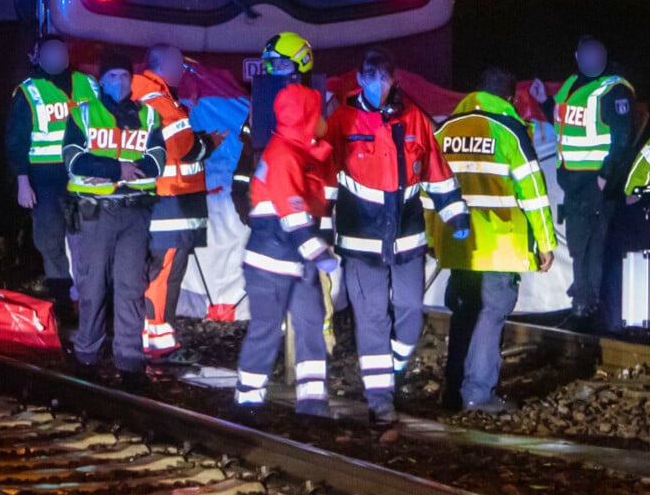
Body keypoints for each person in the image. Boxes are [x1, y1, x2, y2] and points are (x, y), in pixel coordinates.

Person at [326, 48, 469, 425]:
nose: (378, 85)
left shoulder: (415, 120)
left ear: (394, 80)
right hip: (361, 242)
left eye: (384, 78)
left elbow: (436, 172)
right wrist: (321, 227)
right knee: (371, 317)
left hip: (407, 239)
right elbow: (326, 177)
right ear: (359, 80)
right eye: (371, 77)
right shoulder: (342, 119)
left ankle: (391, 370)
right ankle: (380, 400)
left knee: (409, 312)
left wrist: (456, 214)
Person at [427, 67, 556, 413]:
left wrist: (432, 236)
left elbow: (429, 189)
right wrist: (545, 242)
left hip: (458, 244)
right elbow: (533, 193)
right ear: (510, 99)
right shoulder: (509, 131)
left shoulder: (446, 129)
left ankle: (452, 391)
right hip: (500, 247)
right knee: (491, 314)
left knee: (465, 312)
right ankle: (478, 393)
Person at [63, 50, 166, 390]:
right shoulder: (84, 115)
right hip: (96, 214)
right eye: (111, 77)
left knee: (131, 288)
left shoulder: (149, 117)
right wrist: (117, 170)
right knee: (91, 287)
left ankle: (130, 361)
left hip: (135, 213)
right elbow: (75, 161)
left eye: (123, 76)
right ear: (101, 82)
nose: (118, 83)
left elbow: (157, 163)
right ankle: (86, 357)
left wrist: (115, 175)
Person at [235, 84, 339, 416]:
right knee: (267, 329)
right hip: (272, 263)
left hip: (293, 262)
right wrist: (318, 253)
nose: (323, 120)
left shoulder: (294, 152)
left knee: (310, 325)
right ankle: (248, 401)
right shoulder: (285, 156)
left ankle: (312, 399)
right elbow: (292, 212)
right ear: (307, 117)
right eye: (318, 113)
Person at [530, 36, 634, 327]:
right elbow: (564, 122)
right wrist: (544, 102)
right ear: (577, 56)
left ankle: (588, 306)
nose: (592, 60)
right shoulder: (572, 84)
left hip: (596, 182)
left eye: (597, 54)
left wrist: (606, 176)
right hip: (573, 182)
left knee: (594, 245)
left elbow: (622, 138)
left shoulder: (614, 89)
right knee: (578, 244)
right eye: (587, 55)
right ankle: (583, 298)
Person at [133, 44, 222, 362]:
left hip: (167, 200)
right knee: (165, 273)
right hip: (171, 199)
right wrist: (209, 142)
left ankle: (157, 336)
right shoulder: (162, 104)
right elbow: (185, 149)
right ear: (162, 66)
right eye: (178, 64)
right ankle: (156, 339)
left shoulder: (151, 97)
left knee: (162, 272)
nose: (183, 70)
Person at [5, 35, 98, 322]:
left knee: (86, 239)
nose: (58, 58)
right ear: (40, 58)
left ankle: (88, 300)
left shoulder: (88, 85)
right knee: (50, 240)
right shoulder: (29, 92)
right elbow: (17, 140)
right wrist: (23, 181)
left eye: (62, 52)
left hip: (85, 174)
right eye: (51, 53)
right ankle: (61, 302)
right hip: (45, 178)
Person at [231, 32, 314, 224]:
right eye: (273, 65)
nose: (277, 70)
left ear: (301, 63)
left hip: (305, 213)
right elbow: (248, 156)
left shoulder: (319, 102)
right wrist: (241, 200)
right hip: (266, 214)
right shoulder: (261, 102)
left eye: (283, 64)